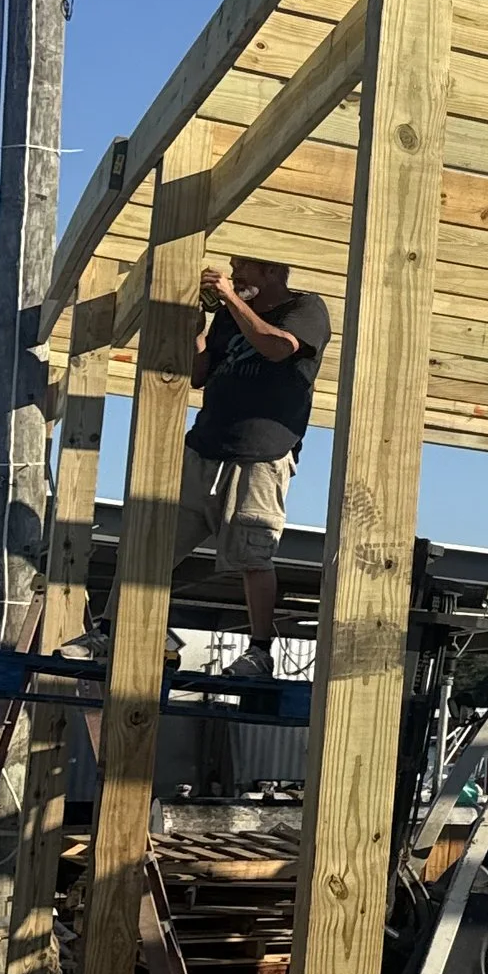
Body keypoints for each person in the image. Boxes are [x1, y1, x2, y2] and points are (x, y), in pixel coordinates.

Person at [177, 256, 331, 680]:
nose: (234, 273)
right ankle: (110, 629)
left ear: (274, 271)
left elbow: (278, 347)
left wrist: (228, 297)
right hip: (205, 447)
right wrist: (195, 324)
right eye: (232, 267)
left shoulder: (305, 308)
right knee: (151, 541)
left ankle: (259, 652)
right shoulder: (229, 314)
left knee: (253, 553)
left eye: (243, 267)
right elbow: (198, 374)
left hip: (262, 453)